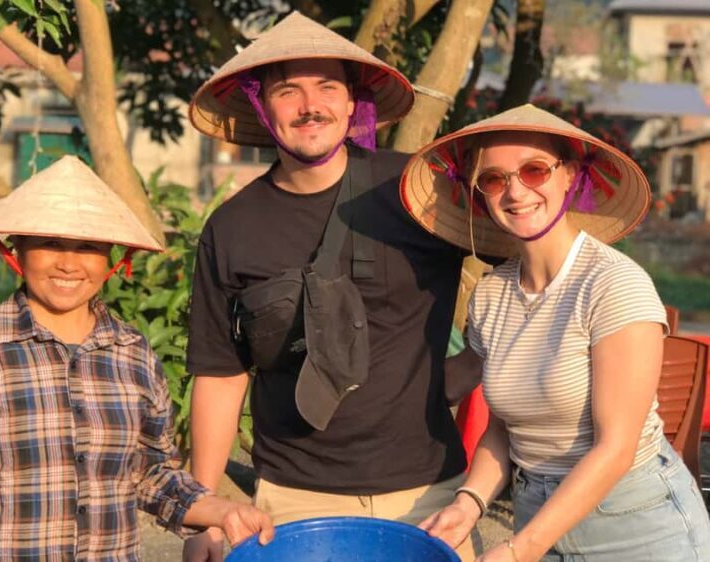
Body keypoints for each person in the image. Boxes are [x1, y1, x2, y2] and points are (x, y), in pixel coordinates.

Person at [185, 11, 479, 562]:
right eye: (288, 89)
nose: (309, 104)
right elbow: (221, 373)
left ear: (351, 103)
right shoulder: (231, 227)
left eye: (326, 86)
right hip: (295, 500)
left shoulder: (419, 193)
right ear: (262, 105)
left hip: (431, 496)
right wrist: (203, 514)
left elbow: (523, 267)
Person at [0, 156, 273, 561]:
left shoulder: (132, 353)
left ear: (110, 259)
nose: (69, 263)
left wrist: (222, 511)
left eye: (87, 247)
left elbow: (151, 474)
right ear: (18, 249)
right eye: (50, 243)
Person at [401, 104, 710, 561]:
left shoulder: (613, 284)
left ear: (570, 176)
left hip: (636, 521)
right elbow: (507, 429)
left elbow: (616, 448)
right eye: (494, 179)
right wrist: (469, 503)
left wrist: (518, 549)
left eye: (534, 170)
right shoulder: (492, 296)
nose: (515, 191)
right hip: (537, 513)